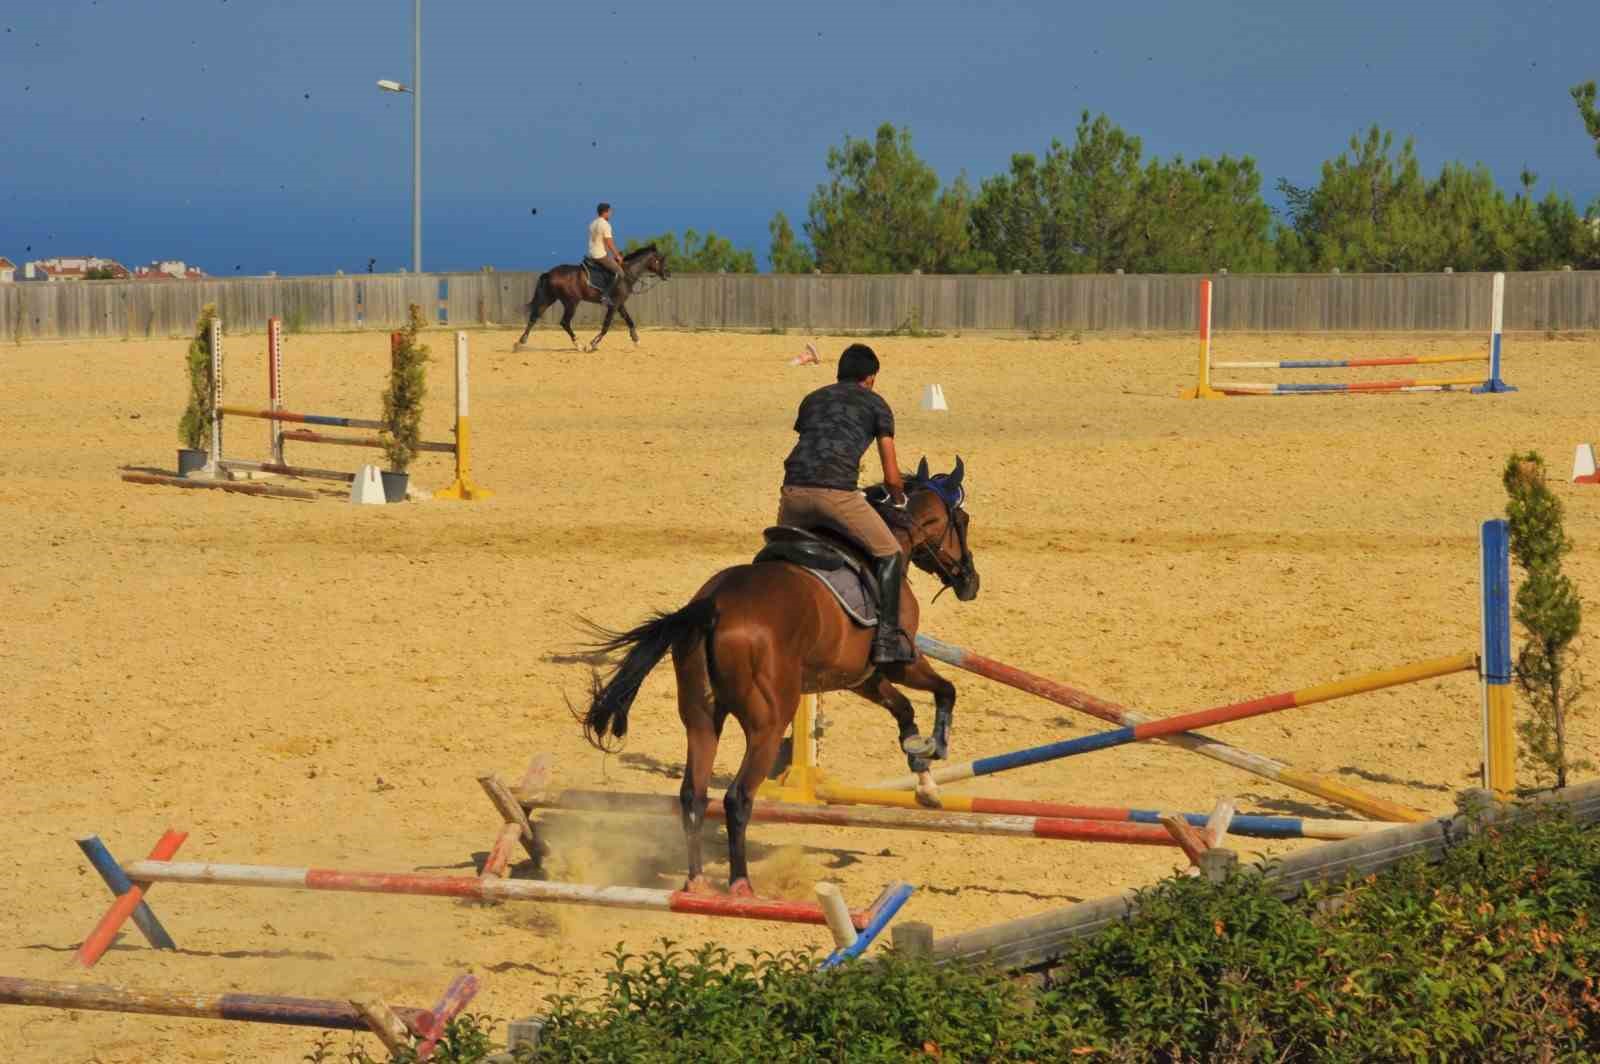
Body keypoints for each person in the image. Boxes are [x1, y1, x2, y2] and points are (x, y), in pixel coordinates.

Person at [778, 343, 914, 664]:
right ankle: (886, 641)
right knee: (890, 553)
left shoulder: (812, 399)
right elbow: (892, 477)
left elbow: (814, 442)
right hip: (835, 494)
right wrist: (899, 500)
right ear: (870, 379)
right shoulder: (877, 405)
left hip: (792, 493)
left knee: (779, 555)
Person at [586, 202, 624, 306]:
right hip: (600, 255)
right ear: (605, 212)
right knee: (620, 272)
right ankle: (605, 295)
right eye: (610, 211)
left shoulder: (593, 223)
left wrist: (610, 256)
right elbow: (609, 242)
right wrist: (617, 256)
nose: (611, 213)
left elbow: (599, 241)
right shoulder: (605, 224)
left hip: (591, 254)